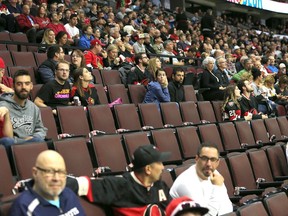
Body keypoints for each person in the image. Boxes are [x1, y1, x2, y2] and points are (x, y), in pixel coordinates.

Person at [67, 144, 172, 215]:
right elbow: (80, 184)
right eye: (159, 163)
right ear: (148, 169)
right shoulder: (119, 186)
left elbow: (174, 209)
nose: (163, 167)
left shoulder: (160, 186)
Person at [9, 150, 85, 216]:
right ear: (35, 173)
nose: (56, 178)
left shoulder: (69, 194)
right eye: (49, 171)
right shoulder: (23, 207)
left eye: (61, 172)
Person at [170, 143, 233, 216]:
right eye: (204, 158)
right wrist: (217, 188)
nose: (209, 164)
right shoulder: (185, 183)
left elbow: (226, 204)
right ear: (196, 159)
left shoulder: (214, 173)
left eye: (213, 159)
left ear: (217, 162)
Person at [0, 70, 47, 147]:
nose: (24, 87)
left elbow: (40, 129)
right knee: (7, 141)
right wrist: (24, 140)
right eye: (19, 84)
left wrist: (35, 137)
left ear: (31, 86)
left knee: (39, 140)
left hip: (31, 143)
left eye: (27, 84)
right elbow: (8, 138)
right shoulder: (3, 106)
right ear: (13, 86)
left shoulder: (34, 108)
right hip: (12, 145)